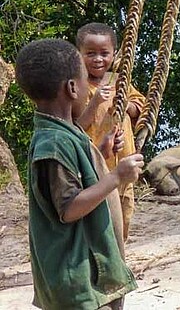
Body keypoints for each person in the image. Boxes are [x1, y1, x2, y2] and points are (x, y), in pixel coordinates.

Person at [15, 38, 143, 310]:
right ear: (72, 88)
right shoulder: (53, 144)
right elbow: (69, 207)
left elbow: (73, 175)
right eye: (85, 79)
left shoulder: (65, 132)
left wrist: (99, 153)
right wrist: (116, 177)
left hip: (87, 273)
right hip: (77, 276)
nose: (89, 87)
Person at [76, 23, 146, 240]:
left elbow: (139, 106)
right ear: (79, 54)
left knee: (124, 209)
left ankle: (121, 249)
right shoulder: (78, 87)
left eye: (104, 54)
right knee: (99, 213)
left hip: (123, 161)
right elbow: (77, 126)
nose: (98, 59)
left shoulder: (119, 81)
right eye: (90, 54)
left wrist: (126, 106)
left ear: (114, 54)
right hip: (95, 166)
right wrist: (95, 102)